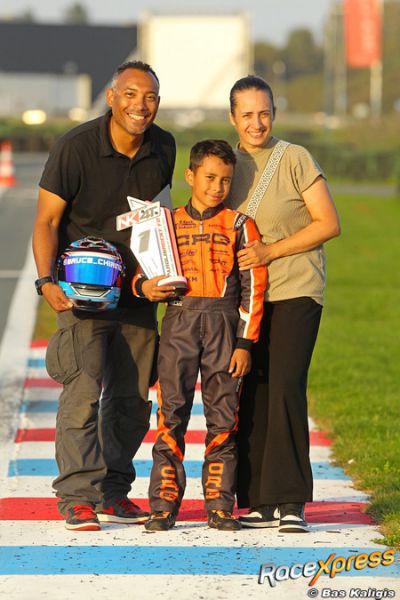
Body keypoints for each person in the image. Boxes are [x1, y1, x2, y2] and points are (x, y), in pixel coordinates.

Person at [32, 60, 176, 531]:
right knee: (82, 393)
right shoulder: (75, 147)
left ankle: (113, 490)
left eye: (150, 96)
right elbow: (47, 222)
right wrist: (46, 283)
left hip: (138, 294)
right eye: (131, 94)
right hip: (82, 292)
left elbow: (162, 219)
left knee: (132, 400)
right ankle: (77, 495)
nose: (141, 105)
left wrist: (162, 278)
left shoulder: (165, 148)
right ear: (112, 97)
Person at [132, 139, 267, 531]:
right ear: (190, 176)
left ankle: (220, 505)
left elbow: (253, 285)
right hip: (178, 321)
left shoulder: (241, 224)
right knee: (170, 412)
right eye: (209, 177)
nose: (216, 187)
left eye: (225, 180)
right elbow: (143, 273)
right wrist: (146, 287)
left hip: (225, 325)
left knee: (223, 415)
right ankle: (163, 504)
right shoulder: (165, 222)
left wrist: (245, 342)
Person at [226, 75, 341, 533]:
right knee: (253, 392)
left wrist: (270, 251)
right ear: (233, 117)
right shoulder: (227, 165)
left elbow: (328, 222)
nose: (257, 123)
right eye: (247, 114)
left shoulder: (294, 158)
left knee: (286, 388)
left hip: (296, 290)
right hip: (248, 299)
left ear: (274, 112)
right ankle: (258, 500)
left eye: (264, 113)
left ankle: (291, 500)